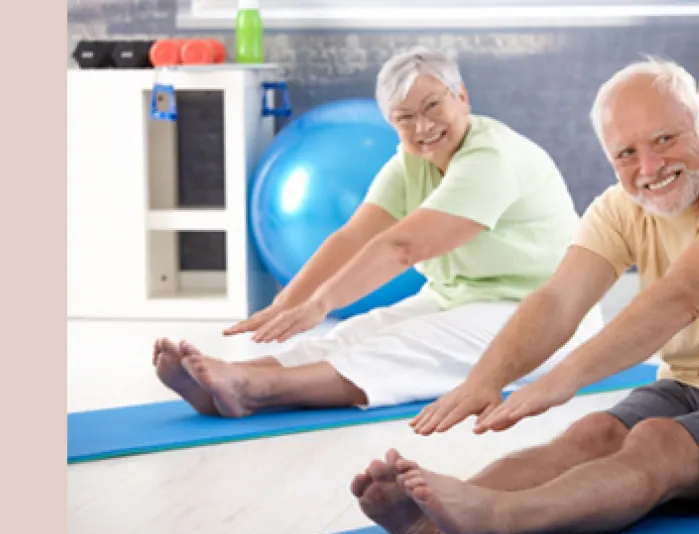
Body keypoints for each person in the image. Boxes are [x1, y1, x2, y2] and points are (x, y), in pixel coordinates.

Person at [349, 57, 699, 534]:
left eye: (665, 139)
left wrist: (562, 378)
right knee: (592, 435)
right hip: (696, 386)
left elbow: (682, 295)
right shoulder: (621, 207)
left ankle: (494, 519)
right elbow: (559, 299)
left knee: (658, 440)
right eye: (626, 153)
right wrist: (486, 379)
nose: (649, 167)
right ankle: (436, 524)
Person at [151, 46, 603, 418]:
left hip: (549, 316)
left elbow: (403, 247)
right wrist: (286, 304)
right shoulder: (410, 164)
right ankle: (231, 378)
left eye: (433, 106)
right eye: (405, 117)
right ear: (391, 123)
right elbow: (351, 238)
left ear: (461, 96)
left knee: (408, 346)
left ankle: (255, 390)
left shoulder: (491, 158)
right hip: (462, 298)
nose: (423, 127)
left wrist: (321, 303)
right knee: (358, 332)